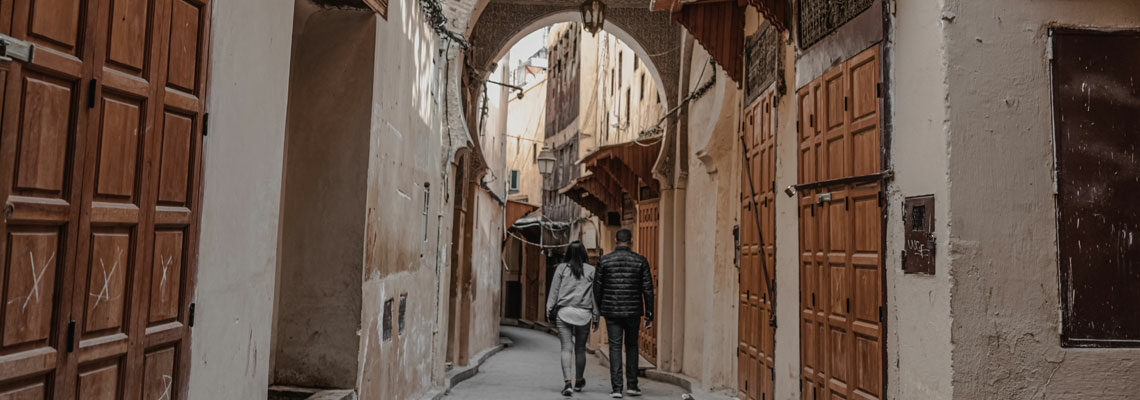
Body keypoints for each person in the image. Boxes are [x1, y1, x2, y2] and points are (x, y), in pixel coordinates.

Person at [594, 229, 654, 398]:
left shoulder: (604, 261)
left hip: (611, 311)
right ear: (631, 241)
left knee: (614, 347)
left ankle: (616, 388)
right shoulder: (641, 261)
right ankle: (633, 386)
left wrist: (596, 312)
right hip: (633, 311)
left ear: (615, 240)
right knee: (632, 346)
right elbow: (648, 289)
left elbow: (597, 288)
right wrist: (649, 314)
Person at [546, 241, 599, 397]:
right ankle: (579, 381)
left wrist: (549, 310)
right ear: (584, 253)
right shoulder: (591, 270)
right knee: (580, 348)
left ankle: (567, 383)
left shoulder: (561, 269)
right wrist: (596, 315)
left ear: (568, 253)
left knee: (566, 348)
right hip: (584, 314)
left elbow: (554, 291)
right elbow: (595, 296)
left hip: (564, 313)